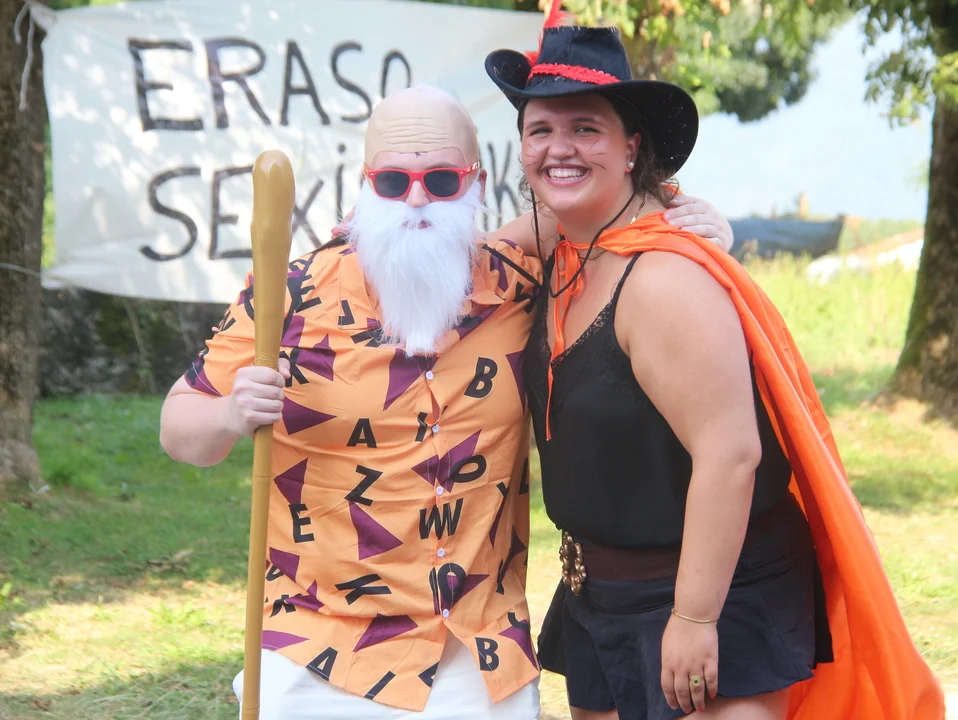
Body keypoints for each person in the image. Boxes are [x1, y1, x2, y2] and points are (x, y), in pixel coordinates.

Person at [159, 83, 732, 720]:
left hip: (476, 650)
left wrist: (688, 217)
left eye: (440, 180)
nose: (416, 200)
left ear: (475, 183)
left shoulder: (516, 278)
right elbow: (179, 430)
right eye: (392, 182)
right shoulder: (289, 296)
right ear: (365, 184)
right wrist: (230, 414)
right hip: (320, 647)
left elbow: (604, 212)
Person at [485, 22, 946, 720]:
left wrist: (696, 618)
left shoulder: (663, 278)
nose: (559, 148)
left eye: (585, 129)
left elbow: (730, 454)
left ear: (632, 145)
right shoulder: (564, 241)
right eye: (540, 130)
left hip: (712, 598)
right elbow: (462, 259)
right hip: (597, 595)